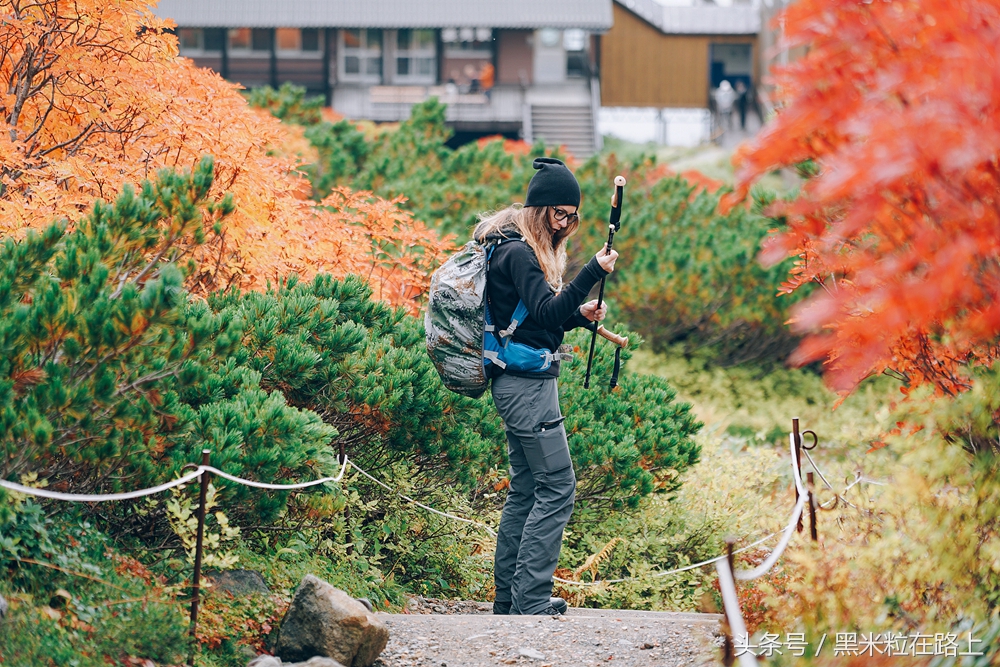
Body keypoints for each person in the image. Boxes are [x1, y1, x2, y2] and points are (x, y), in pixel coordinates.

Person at [474, 157, 619, 616]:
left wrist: (580, 315)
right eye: (559, 214)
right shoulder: (518, 252)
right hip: (526, 389)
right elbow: (545, 313)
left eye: (573, 217)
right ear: (539, 210)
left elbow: (539, 321)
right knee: (557, 486)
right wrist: (592, 272)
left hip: (520, 381)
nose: (566, 225)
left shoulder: (512, 249)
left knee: (526, 488)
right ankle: (530, 600)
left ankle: (509, 600)